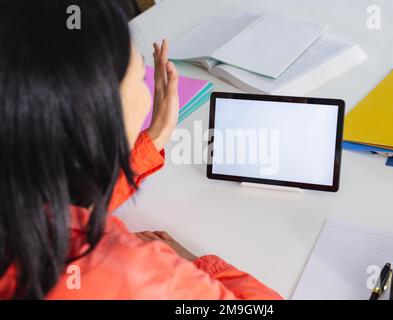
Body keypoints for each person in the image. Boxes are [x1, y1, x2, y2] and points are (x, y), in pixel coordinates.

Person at [0, 0, 282, 299]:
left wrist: (155, 137)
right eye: (139, 79)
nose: (147, 93)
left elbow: (65, 208)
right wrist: (193, 264)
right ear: (97, 116)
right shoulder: (133, 273)